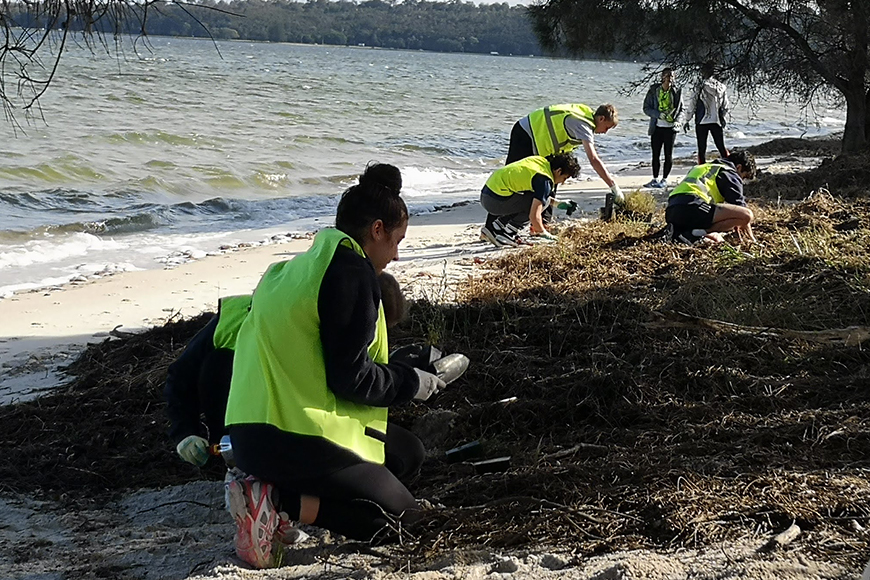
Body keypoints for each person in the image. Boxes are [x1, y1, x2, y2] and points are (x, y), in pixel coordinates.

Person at [224, 163, 445, 568]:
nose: (396, 254)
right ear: (376, 230)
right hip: (293, 437)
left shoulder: (294, 268)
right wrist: (409, 382)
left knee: (406, 453)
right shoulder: (351, 272)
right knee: (404, 522)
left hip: (249, 434)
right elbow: (350, 378)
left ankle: (271, 486)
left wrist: (398, 368)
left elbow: (321, 358)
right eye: (397, 241)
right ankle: (279, 502)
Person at [164, 272, 407, 469]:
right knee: (217, 363)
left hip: (306, 428)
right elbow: (181, 375)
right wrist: (185, 433)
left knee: (406, 453)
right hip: (242, 423)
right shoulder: (240, 318)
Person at [487, 103, 622, 230]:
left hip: (542, 142)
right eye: (607, 127)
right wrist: (613, 186)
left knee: (555, 176)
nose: (605, 132)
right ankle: (490, 227)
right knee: (510, 178)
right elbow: (593, 159)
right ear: (602, 118)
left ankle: (541, 224)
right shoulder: (583, 125)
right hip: (526, 133)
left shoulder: (586, 115)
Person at [479, 152, 581, 247]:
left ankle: (499, 225)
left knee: (540, 199)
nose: (562, 182)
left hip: (487, 193)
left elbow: (538, 194)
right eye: (565, 178)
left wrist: (558, 204)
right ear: (559, 171)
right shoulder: (544, 180)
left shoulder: (540, 162)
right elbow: (534, 216)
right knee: (540, 203)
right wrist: (544, 233)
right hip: (494, 201)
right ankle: (509, 232)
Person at [665, 150, 757, 244]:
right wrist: (752, 239)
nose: (742, 180)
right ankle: (701, 232)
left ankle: (690, 234)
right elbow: (741, 209)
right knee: (746, 215)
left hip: (671, 211)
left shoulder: (702, 167)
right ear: (739, 167)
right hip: (693, 206)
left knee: (717, 238)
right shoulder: (729, 173)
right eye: (744, 176)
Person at [643, 68, 682, 189]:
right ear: (662, 77)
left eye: (672, 76)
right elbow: (646, 108)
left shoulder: (677, 91)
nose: (670, 78)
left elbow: (682, 109)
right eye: (668, 76)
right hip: (657, 127)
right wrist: (658, 114)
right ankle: (654, 179)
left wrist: (678, 121)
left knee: (668, 155)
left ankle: (664, 179)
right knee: (655, 154)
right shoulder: (654, 90)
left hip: (670, 129)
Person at [692, 62, 730, 164]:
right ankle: (730, 166)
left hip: (701, 120)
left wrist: (687, 118)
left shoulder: (700, 86)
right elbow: (726, 106)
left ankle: (702, 169)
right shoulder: (722, 87)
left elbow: (693, 103)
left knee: (702, 148)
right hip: (716, 120)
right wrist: (723, 117)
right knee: (721, 146)